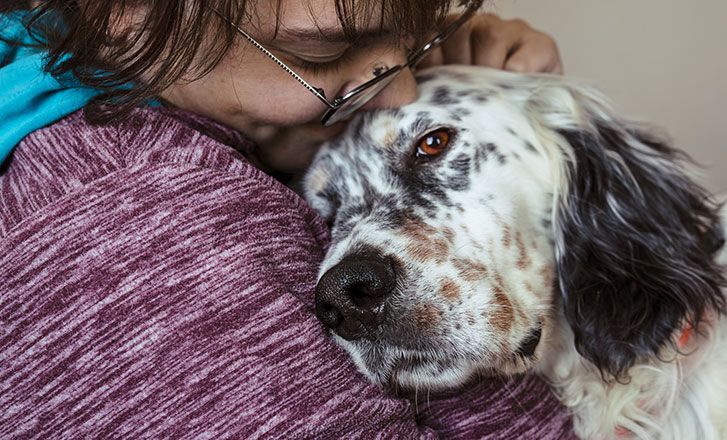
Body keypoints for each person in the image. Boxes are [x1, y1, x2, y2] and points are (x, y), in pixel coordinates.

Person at [0, 1, 575, 438]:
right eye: (322, 53)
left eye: (424, 28)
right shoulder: (137, 222)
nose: (399, 90)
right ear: (125, 13)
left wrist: (496, 90)